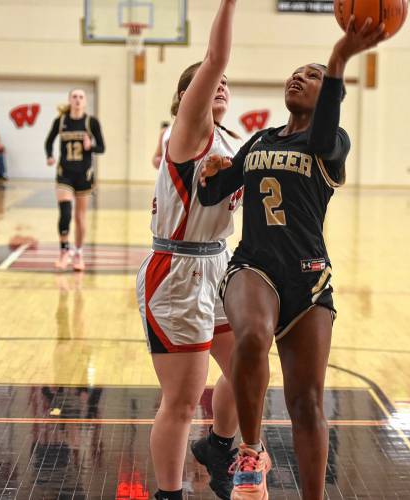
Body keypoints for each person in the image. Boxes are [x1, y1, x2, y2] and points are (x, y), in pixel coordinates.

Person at [198, 17, 386, 500]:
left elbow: (324, 133)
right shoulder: (259, 141)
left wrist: (340, 58)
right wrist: (209, 171)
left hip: (309, 277)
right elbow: (215, 190)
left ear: (327, 94)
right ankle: (250, 451)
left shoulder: (331, 143)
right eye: (296, 71)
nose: (297, 76)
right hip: (253, 265)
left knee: (306, 405)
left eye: (312, 74)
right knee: (254, 333)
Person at [135, 1, 241, 499]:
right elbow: (216, 57)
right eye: (202, 81)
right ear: (185, 100)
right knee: (180, 399)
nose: (217, 82)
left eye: (222, 82)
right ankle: (169, 494)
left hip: (217, 260)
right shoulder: (186, 134)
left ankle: (218, 445)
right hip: (176, 267)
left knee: (248, 368)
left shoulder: (233, 142)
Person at [44, 89, 105, 272]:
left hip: (84, 175)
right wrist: (49, 156)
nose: (77, 100)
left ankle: (78, 253)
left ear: (85, 102)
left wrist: (91, 146)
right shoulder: (61, 121)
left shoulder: (91, 122)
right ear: (70, 100)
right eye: (74, 97)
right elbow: (48, 141)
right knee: (65, 212)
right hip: (65, 173)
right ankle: (64, 252)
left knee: (79, 217)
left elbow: (101, 147)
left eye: (81, 97)